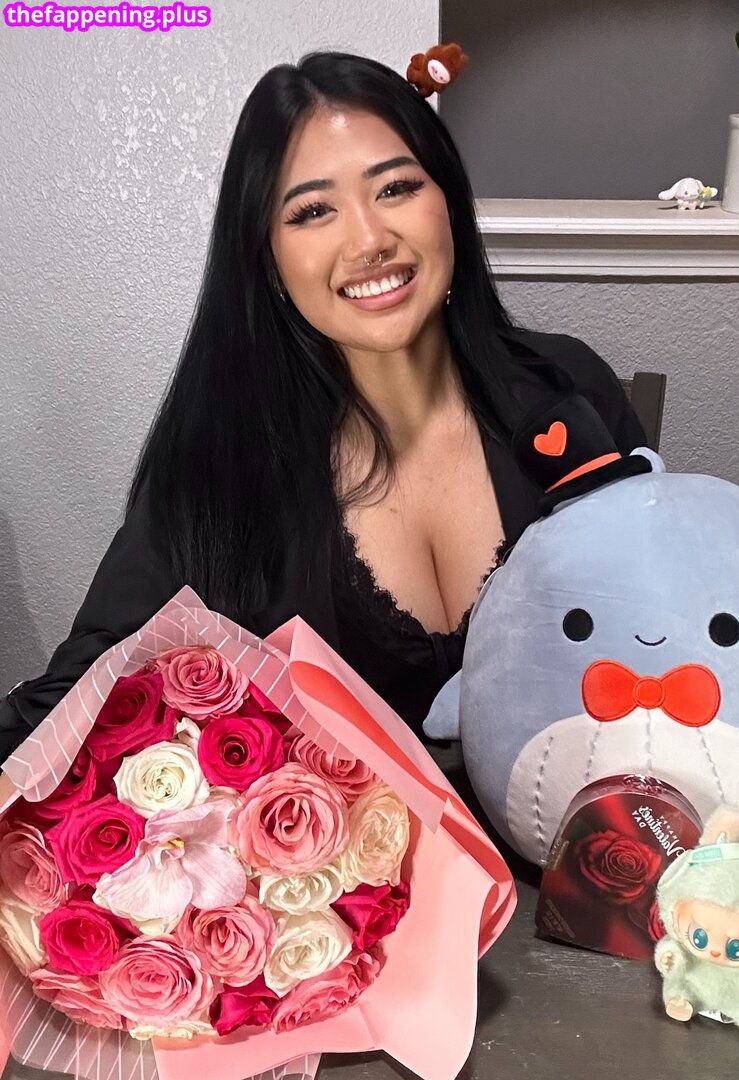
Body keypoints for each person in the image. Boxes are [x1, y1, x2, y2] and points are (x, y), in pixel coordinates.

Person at [0, 49, 647, 767]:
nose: (369, 240)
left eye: (395, 188)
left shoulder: (565, 387)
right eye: (312, 211)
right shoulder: (222, 464)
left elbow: (670, 612)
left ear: (448, 202)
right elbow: (85, 691)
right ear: (268, 257)